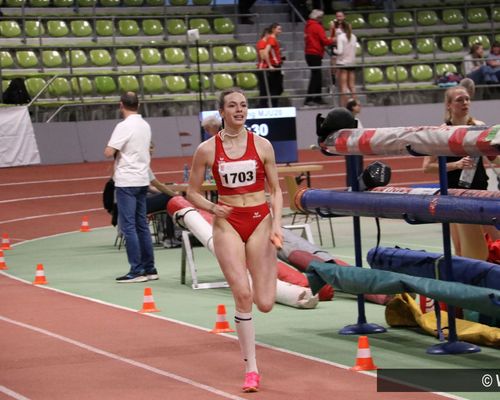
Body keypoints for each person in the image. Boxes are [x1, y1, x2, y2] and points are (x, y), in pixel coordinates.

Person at [186, 88, 283, 392]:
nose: (239, 110)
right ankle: (252, 369)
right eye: (232, 106)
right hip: (227, 223)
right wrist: (213, 207)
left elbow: (277, 190)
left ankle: (261, 270)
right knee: (242, 295)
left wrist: (277, 223)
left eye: (243, 105)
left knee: (265, 303)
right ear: (222, 112)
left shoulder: (263, 145)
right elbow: (192, 192)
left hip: (259, 221)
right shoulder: (207, 149)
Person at [422, 86, 489, 260]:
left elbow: (493, 158)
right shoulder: (442, 132)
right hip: (455, 195)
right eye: (459, 100)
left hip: (481, 191)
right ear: (449, 105)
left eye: (467, 99)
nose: (465, 103)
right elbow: (427, 167)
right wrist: (457, 165)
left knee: (491, 244)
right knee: (462, 250)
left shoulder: (479, 126)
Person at [104, 92, 158, 283]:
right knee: (142, 225)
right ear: (139, 104)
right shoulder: (145, 125)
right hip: (142, 178)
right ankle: (150, 268)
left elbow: (108, 151)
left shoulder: (124, 126)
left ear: (121, 105)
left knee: (128, 227)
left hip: (127, 180)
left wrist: (117, 150)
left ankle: (137, 270)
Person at [304, 9, 335, 106]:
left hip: (309, 53)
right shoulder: (317, 27)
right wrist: (333, 35)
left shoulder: (308, 26)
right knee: (315, 76)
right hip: (315, 53)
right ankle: (309, 99)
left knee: (317, 76)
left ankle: (317, 98)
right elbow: (325, 41)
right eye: (321, 17)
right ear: (318, 18)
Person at [333, 21, 358, 107]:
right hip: (351, 63)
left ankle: (345, 106)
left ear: (342, 28)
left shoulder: (341, 37)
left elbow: (340, 51)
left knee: (343, 87)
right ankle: (355, 105)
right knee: (352, 86)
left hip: (343, 63)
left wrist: (334, 50)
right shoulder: (354, 36)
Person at [265, 22, 284, 107]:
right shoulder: (272, 39)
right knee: (276, 88)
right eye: (279, 29)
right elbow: (266, 52)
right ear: (273, 29)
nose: (280, 31)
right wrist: (270, 65)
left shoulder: (274, 39)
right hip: (274, 66)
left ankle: (275, 104)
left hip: (277, 65)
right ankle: (274, 105)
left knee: (278, 88)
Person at [256, 27, 272, 108]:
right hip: (262, 68)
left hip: (266, 68)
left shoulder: (267, 44)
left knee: (267, 89)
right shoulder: (262, 43)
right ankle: (262, 105)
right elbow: (262, 56)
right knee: (263, 89)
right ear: (267, 34)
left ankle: (264, 104)